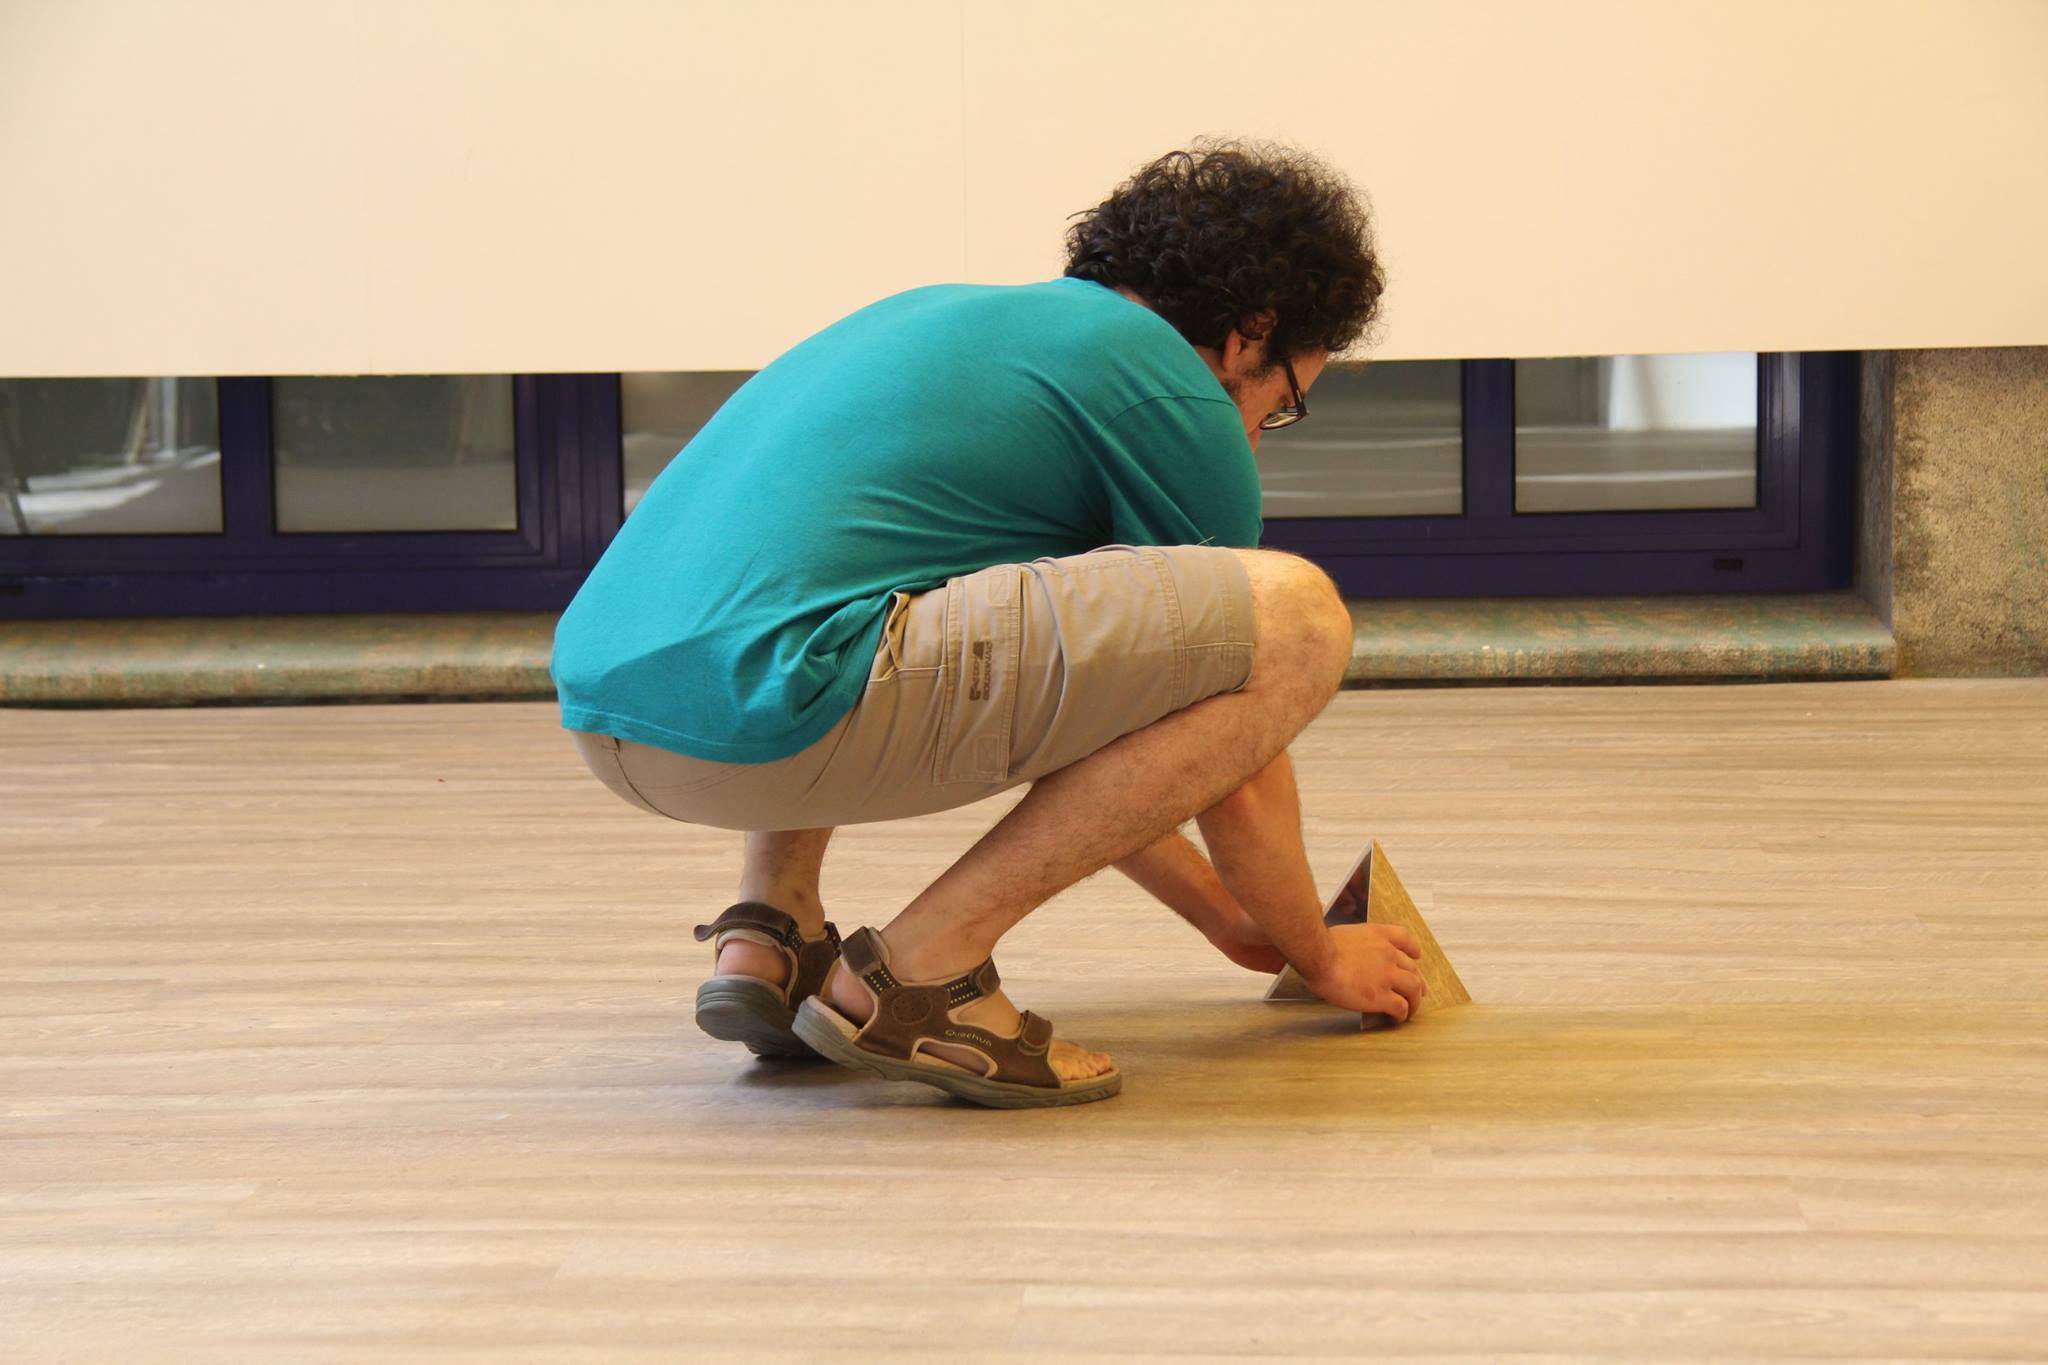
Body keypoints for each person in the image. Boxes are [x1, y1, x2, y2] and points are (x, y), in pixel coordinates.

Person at [552, 139, 1426, 1108]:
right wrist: (1316, 952)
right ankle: (927, 971)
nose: (1254, 435)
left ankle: (773, 932)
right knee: (1294, 614)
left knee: (860, 582)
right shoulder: (1171, 390)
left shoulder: (944, 320)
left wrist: (1227, 918)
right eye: (1283, 401)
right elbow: (1235, 762)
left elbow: (1102, 731)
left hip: (615, 714)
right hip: (773, 718)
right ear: (1249, 332)